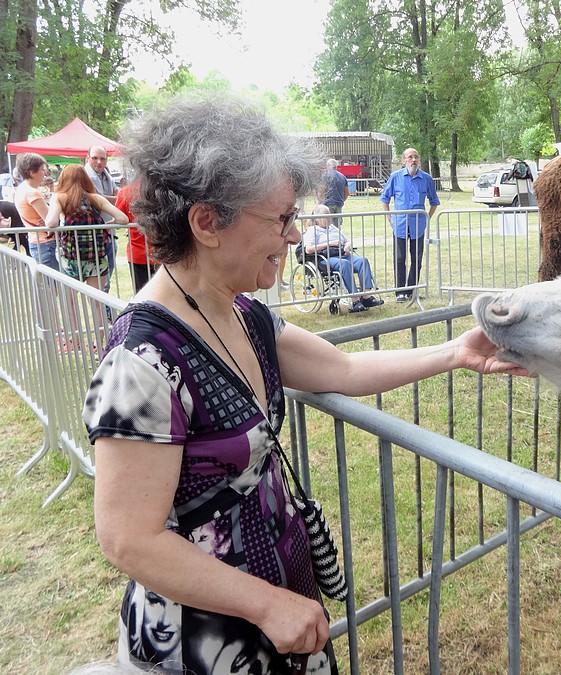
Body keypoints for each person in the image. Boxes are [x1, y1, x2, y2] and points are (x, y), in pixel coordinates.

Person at [83, 94, 527, 675]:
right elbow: (127, 540)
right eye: (281, 219)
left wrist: (455, 353)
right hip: (202, 643)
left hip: (277, 608)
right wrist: (266, 604)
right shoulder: (140, 361)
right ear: (206, 223)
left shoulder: (245, 314)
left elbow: (343, 371)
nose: (295, 236)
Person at [44, 165, 128, 289]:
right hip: (96, 257)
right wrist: (110, 223)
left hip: (70, 257)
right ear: (85, 179)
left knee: (70, 301)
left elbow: (50, 223)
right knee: (97, 302)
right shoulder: (96, 198)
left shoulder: (60, 197)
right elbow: (123, 219)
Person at [380, 147, 440, 302]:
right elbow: (384, 199)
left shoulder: (426, 179)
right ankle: (400, 291)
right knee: (400, 258)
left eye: (416, 157)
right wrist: (390, 219)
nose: (414, 160)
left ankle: (411, 290)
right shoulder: (395, 177)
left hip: (418, 225)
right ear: (404, 160)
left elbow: (434, 201)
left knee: (417, 258)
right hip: (399, 223)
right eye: (410, 157)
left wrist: (427, 218)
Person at [302, 203, 383, 313]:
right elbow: (309, 249)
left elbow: (346, 240)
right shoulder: (312, 231)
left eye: (329, 214)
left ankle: (366, 296)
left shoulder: (333, 228)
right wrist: (330, 243)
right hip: (326, 257)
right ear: (317, 218)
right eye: (325, 215)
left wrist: (347, 245)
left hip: (342, 253)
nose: (329, 217)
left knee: (362, 261)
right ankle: (355, 300)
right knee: (344, 264)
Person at [14, 153, 58, 269]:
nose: (45, 173)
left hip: (37, 241)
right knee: (55, 285)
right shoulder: (32, 193)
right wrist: (56, 201)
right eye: (42, 170)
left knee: (47, 283)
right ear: (32, 172)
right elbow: (51, 220)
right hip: (46, 243)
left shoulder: (21, 189)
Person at [86, 145, 119, 291]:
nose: (99, 162)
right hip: (93, 236)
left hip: (110, 233)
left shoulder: (108, 176)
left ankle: (105, 311)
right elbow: (96, 199)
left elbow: (106, 198)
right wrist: (117, 198)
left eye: (102, 158)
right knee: (99, 282)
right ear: (88, 158)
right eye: (95, 158)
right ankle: (103, 311)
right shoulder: (84, 176)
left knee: (107, 276)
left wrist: (114, 198)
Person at [115, 181, 158, 293]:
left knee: (141, 294)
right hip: (161, 253)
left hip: (138, 253)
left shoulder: (125, 192)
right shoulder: (162, 188)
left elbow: (118, 216)